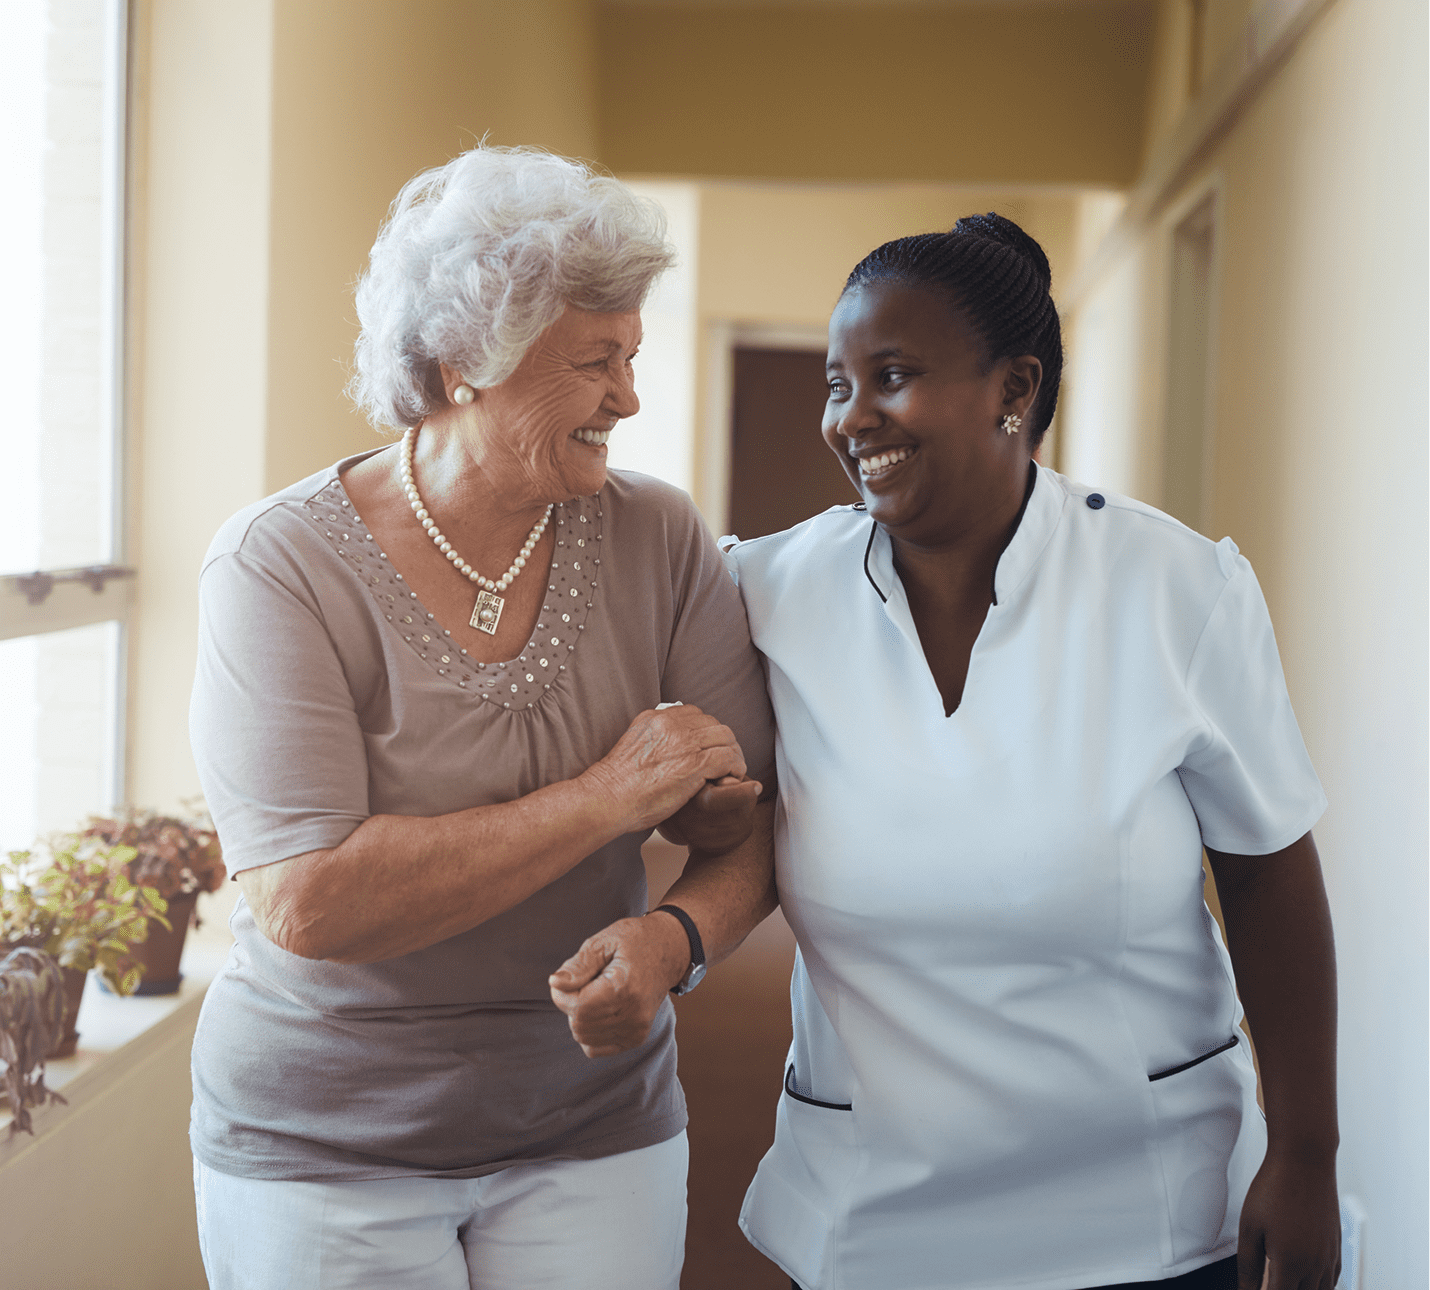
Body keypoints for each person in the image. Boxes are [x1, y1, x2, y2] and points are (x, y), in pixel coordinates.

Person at [571, 214, 1340, 1290]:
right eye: (838, 384)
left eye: (891, 376)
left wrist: (1306, 1154)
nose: (851, 418)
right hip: (871, 1212)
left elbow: (1267, 875)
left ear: (1012, 390)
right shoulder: (763, 592)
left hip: (1148, 1209)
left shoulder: (1174, 590)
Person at [187, 146, 776, 1290]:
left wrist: (674, 937)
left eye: (634, 356)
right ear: (464, 363)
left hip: (594, 1124)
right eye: (595, 361)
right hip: (323, 1147)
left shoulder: (658, 536)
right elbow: (309, 900)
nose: (630, 398)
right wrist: (606, 799)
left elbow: (746, 828)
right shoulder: (278, 564)